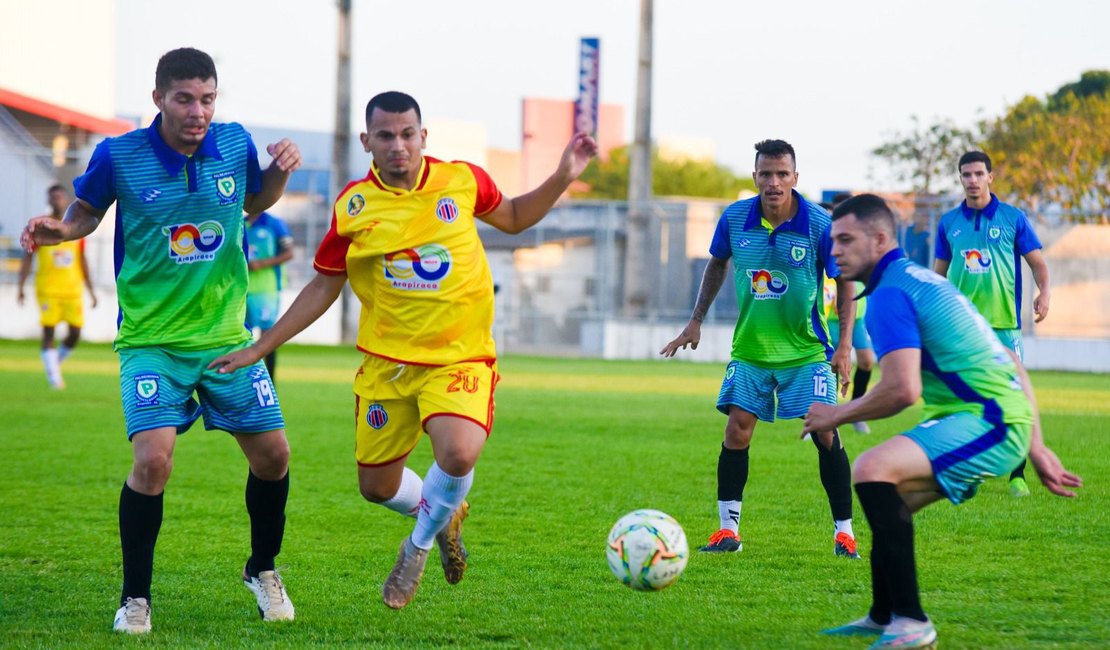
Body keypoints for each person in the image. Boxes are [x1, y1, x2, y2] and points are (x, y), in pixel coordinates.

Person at [209, 91, 598, 609]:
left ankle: (416, 547)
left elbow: (515, 217)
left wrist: (563, 175)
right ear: (367, 141)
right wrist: (264, 345)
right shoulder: (353, 206)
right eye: (386, 136)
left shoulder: (462, 180)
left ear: (423, 136)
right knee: (375, 486)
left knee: (458, 452)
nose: (398, 145)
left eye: (408, 134)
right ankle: (442, 515)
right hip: (386, 367)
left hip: (460, 357)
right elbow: (325, 285)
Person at [20, 47, 302, 634]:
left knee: (274, 456)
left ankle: (263, 569)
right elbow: (86, 212)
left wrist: (279, 172)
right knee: (153, 460)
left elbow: (252, 203)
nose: (198, 111)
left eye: (207, 98)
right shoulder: (120, 154)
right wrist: (59, 230)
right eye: (184, 99)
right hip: (150, 339)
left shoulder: (234, 143)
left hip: (226, 336)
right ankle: (135, 599)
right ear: (159, 100)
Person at [805, 194, 1080, 649]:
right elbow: (1010, 358)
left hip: (989, 421)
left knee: (872, 468)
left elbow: (902, 390)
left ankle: (912, 622)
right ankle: (884, 615)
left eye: (846, 240)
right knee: (889, 501)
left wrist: (837, 412)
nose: (833, 250)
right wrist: (1036, 445)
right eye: (832, 240)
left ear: (879, 240)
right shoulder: (916, 280)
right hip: (987, 418)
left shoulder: (893, 291)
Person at [660, 139, 860, 559]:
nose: (773, 182)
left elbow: (845, 281)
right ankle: (727, 531)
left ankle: (844, 533)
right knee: (736, 430)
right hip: (750, 351)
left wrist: (844, 345)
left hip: (807, 352)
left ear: (795, 178)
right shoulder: (735, 218)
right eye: (765, 174)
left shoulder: (819, 224)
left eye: (781, 174)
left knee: (825, 431)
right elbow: (717, 263)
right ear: (754, 177)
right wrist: (695, 319)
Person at [933, 151, 1050, 498]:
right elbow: (937, 276)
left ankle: (1018, 475)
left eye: (978, 174)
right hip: (961, 329)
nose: (972, 180)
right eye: (966, 174)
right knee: (966, 402)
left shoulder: (1013, 219)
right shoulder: (948, 223)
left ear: (990, 177)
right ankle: (968, 473)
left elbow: (1038, 263)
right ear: (960, 179)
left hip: (1004, 326)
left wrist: (1045, 292)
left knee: (1013, 398)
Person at [17, 184, 98, 389]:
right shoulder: (41, 227)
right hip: (48, 289)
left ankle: (54, 364)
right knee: (49, 332)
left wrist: (91, 290)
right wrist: (21, 286)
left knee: (75, 332)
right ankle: (54, 378)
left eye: (60, 196)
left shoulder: (76, 227)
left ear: (66, 199)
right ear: (49, 200)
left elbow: (82, 259)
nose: (57, 200)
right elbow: (27, 258)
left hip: (72, 289)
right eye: (53, 197)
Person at [245, 210, 294, 379]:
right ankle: (247, 381)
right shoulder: (240, 223)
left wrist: (262, 263)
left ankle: (270, 381)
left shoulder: (274, 223)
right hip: (242, 289)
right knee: (243, 336)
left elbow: (289, 253)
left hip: (267, 288)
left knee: (267, 336)